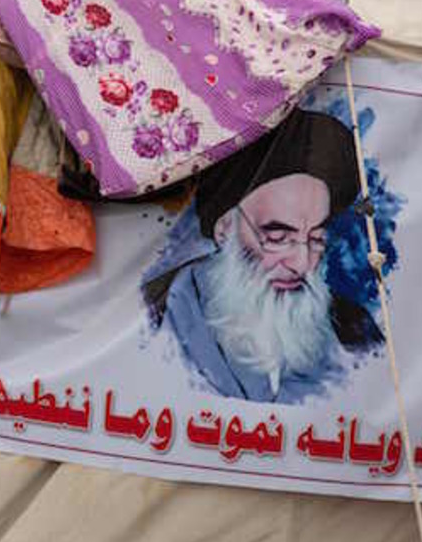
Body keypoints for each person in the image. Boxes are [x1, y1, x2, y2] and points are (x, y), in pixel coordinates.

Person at [142, 108, 383, 404]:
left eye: (317, 239)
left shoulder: (354, 331)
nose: (301, 264)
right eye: (278, 238)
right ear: (225, 227)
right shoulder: (153, 314)